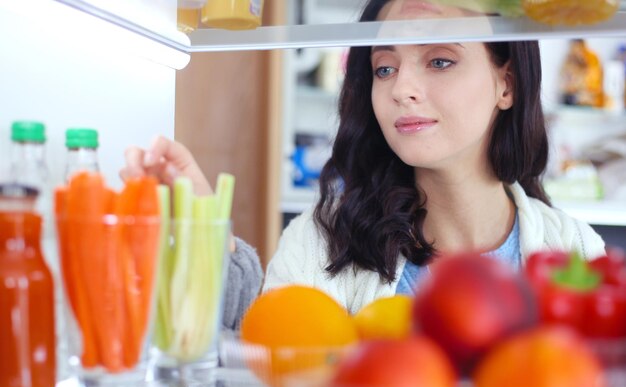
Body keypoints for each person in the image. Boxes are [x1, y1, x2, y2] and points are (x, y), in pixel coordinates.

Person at [121, 0, 605, 322]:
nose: (401, 89)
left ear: (508, 84)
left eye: (439, 60)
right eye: (384, 67)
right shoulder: (322, 239)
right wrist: (207, 242)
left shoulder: (575, 250)